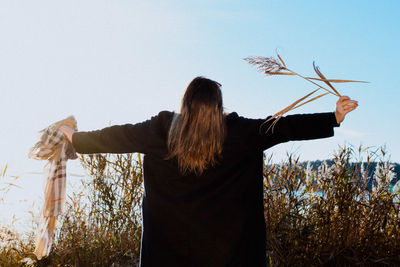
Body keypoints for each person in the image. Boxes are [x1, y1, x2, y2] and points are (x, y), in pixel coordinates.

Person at [60, 76, 358, 267]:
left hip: (167, 258)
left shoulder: (160, 130)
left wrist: (74, 138)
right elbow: (284, 128)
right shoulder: (240, 133)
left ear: (186, 104)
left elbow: (116, 137)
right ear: (219, 106)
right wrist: (334, 117)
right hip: (231, 258)